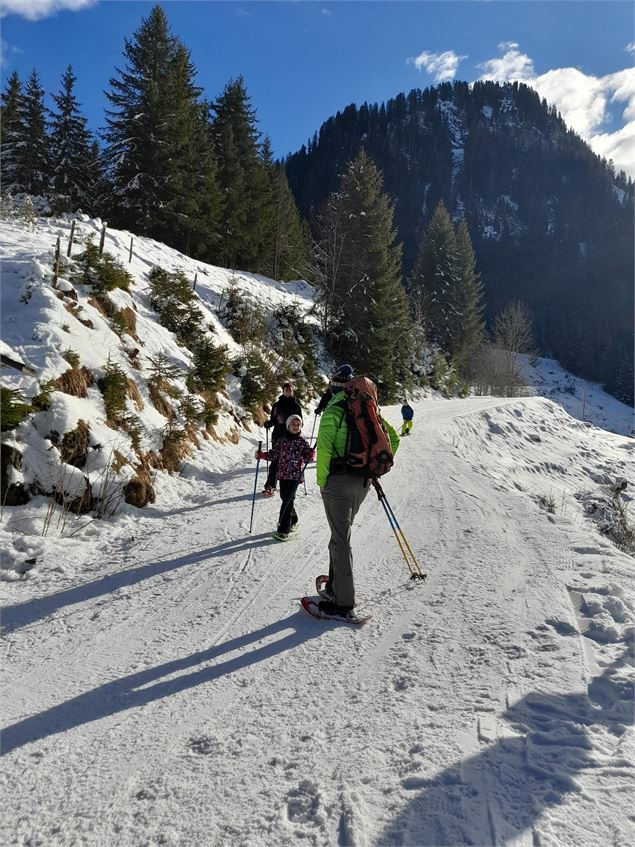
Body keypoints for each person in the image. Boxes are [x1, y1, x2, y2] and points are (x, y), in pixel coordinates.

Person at [315, 376, 399, 616]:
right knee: (341, 533)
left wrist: (322, 482)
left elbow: (324, 450)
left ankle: (343, 601)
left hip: (337, 483)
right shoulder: (369, 410)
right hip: (362, 483)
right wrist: (372, 468)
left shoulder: (333, 412)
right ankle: (334, 585)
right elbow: (393, 440)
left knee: (340, 539)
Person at [256, 415, 314, 541]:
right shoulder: (281, 441)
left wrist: (310, 454)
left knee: (287, 500)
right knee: (285, 498)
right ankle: (293, 519)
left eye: (298, 424)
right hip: (282, 474)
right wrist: (262, 455)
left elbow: (306, 458)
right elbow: (273, 454)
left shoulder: (302, 442)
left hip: (295, 476)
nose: (295, 426)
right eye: (293, 424)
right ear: (288, 426)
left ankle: (283, 530)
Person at [262, 383, 303, 495]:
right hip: (278, 434)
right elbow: (274, 419)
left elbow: (300, 422)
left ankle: (289, 485)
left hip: (290, 436)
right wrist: (269, 423)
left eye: (290, 390)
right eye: (286, 390)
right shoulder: (276, 405)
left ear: (293, 391)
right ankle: (270, 485)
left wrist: (297, 432)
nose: (288, 392)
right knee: (275, 460)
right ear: (283, 391)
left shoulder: (296, 406)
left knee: (289, 461)